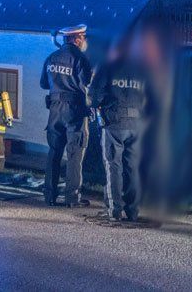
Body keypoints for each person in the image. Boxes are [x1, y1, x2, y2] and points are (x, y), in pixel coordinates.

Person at [90, 47, 149, 221]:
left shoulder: (107, 67)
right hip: (136, 123)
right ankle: (133, 211)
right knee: (133, 167)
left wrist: (96, 105)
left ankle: (114, 210)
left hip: (114, 123)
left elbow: (94, 95)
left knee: (113, 166)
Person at [41, 24, 93, 207]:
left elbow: (43, 84)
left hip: (54, 110)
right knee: (74, 154)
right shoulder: (80, 58)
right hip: (74, 111)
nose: (85, 41)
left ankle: (49, 195)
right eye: (84, 38)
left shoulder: (51, 57)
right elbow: (87, 82)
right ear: (77, 39)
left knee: (54, 152)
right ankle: (72, 198)